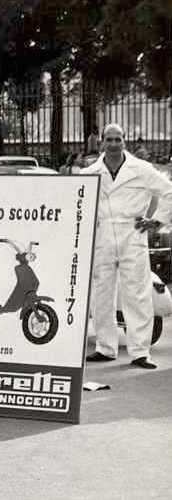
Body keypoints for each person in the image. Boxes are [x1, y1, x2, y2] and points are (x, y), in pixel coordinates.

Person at [81, 123, 172, 369]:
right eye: (108, 139)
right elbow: (69, 195)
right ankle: (105, 347)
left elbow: (168, 192)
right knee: (102, 294)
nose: (113, 144)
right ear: (101, 142)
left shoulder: (141, 169)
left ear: (124, 141)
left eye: (117, 139)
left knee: (138, 293)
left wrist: (157, 221)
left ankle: (140, 352)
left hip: (132, 233)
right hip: (102, 236)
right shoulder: (91, 172)